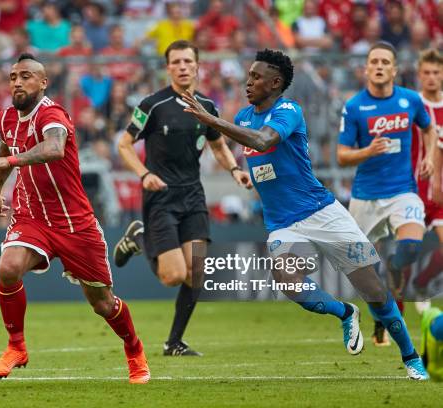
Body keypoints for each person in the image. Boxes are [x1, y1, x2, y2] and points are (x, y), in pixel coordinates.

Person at [182, 48, 429, 380]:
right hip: (284, 223)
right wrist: (240, 172)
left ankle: (410, 357)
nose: (248, 81)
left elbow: (262, 140)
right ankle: (345, 313)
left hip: (323, 213)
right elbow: (253, 151)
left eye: (256, 77)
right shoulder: (242, 117)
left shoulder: (289, 110)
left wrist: (212, 120)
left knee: (376, 292)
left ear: (275, 82)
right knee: (289, 281)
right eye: (249, 75)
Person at [0, 53, 149, 383]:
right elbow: (4, 148)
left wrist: (10, 163)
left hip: (74, 223)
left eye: (26, 76)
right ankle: (16, 346)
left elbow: (53, 148)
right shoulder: (7, 118)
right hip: (32, 217)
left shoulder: (52, 114)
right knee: (8, 269)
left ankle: (134, 348)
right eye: (13, 76)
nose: (17, 82)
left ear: (42, 82)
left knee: (102, 304)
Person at [113, 40, 251, 356]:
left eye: (188, 61)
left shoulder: (207, 107)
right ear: (168, 68)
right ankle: (139, 235)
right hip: (160, 196)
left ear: (198, 66)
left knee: (197, 270)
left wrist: (234, 170)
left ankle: (174, 342)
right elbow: (123, 144)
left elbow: (217, 145)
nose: (183, 67)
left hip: (193, 195)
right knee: (173, 276)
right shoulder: (152, 105)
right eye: (176, 62)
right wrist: (144, 175)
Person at [336, 41, 438, 347]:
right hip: (365, 197)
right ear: (366, 68)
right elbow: (342, 155)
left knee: (408, 248)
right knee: (365, 272)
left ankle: (396, 266)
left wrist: (429, 157)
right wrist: (368, 150)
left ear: (394, 69)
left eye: (385, 62)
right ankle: (382, 318)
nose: (379, 66)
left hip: (402, 192)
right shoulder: (354, 107)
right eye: (374, 62)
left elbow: (429, 128)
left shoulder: (410, 101)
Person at [411, 48, 443, 311]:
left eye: (436, 72)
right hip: (414, 190)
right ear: (419, 76)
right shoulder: (413, 106)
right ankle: (390, 316)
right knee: (408, 250)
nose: (432, 77)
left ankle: (421, 284)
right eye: (427, 73)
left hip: (441, 192)